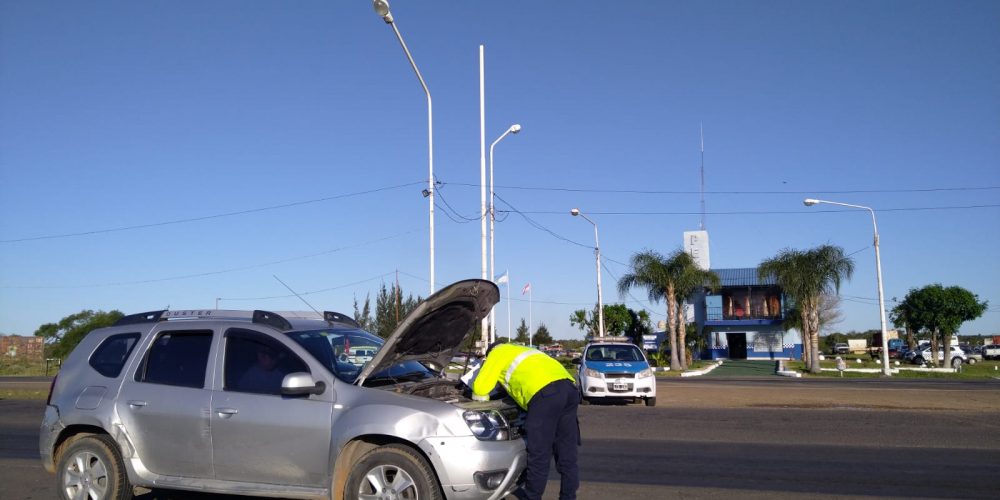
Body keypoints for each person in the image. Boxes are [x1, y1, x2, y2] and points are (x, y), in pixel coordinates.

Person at [470, 343, 579, 500]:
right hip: (569, 389)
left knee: (539, 454)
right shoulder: (525, 351)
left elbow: (480, 389)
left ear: (489, 353)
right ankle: (568, 497)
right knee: (566, 453)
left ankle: (533, 497)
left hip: (545, 395)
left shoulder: (497, 353)